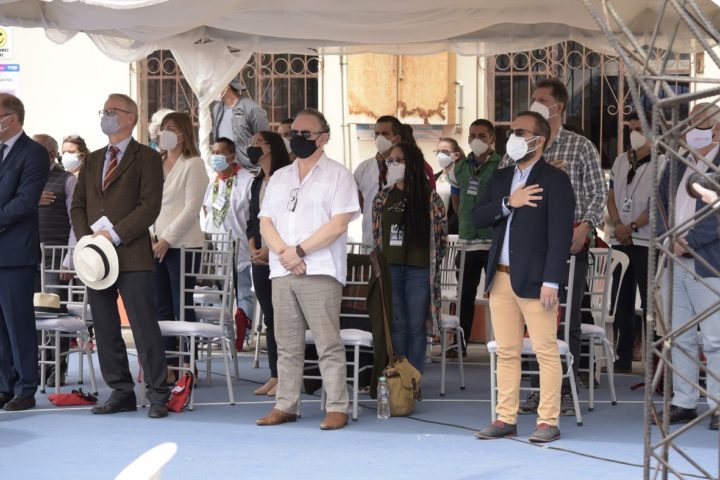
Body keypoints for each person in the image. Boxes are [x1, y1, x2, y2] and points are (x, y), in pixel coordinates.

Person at [473, 111, 575, 443]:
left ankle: (548, 421)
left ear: (539, 140)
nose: (513, 137)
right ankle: (506, 417)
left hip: (537, 280)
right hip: (501, 278)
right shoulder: (502, 177)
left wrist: (552, 280)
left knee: (545, 351)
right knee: (507, 351)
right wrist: (508, 202)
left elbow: (560, 235)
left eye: (520, 132)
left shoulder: (555, 180)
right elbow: (478, 216)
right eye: (512, 131)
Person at [507, 78, 607, 417]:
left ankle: (566, 389)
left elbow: (598, 193)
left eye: (542, 99)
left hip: (568, 244)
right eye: (532, 97)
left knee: (565, 320)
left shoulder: (580, 147)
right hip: (528, 247)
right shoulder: (520, 146)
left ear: (559, 107)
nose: (534, 102)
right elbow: (503, 184)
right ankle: (539, 388)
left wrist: (586, 226)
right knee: (531, 319)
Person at [255, 108, 360, 430]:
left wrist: (299, 251)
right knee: (286, 344)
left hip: (320, 270)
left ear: (323, 138)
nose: (298, 139)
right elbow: (266, 222)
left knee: (327, 343)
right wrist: (285, 253)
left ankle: (337, 406)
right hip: (282, 270)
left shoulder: (339, 175)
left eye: (305, 134)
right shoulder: (280, 177)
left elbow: (338, 224)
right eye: (293, 134)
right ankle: (285, 404)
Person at [71, 93, 170, 418]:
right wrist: (89, 241)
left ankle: (157, 393)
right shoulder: (93, 159)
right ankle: (120, 390)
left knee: (143, 326)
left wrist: (113, 235)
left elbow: (149, 206)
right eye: (104, 111)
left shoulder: (147, 158)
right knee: (104, 325)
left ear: (130, 117)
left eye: (112, 111)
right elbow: (78, 205)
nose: (106, 116)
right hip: (96, 259)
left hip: (131, 254)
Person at [657, 102, 720, 431]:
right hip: (674, 261)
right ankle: (684, 401)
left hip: (709, 263)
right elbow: (659, 202)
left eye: (698, 124)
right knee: (679, 336)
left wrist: (689, 242)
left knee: (714, 339)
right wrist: (667, 238)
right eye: (689, 124)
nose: (689, 130)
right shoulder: (678, 161)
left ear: (717, 128)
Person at [371, 142, 447, 373]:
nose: (392, 165)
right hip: (391, 268)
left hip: (419, 269)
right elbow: (376, 234)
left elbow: (441, 238)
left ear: (412, 164)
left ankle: (414, 378)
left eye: (398, 160)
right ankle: (399, 375)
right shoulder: (382, 197)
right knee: (397, 324)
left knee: (415, 326)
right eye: (390, 161)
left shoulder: (431, 199)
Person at [0, 93, 49, 411]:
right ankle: (4, 385)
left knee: (18, 324)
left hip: (16, 253)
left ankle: (26, 388)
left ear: (11, 118)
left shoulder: (33, 152)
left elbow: (26, 200)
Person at [152, 111, 208, 380]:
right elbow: (148, 203)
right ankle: (167, 364)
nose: (165, 132)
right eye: (163, 127)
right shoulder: (156, 163)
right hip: (155, 244)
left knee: (181, 305)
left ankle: (187, 363)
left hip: (183, 245)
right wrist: (152, 236)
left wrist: (167, 239)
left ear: (184, 133)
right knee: (161, 306)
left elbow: (191, 208)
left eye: (171, 128)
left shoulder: (193, 164)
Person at [447, 119, 502, 356]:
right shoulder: (459, 167)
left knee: (500, 297)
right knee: (464, 297)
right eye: (472, 135)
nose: (475, 140)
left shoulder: (503, 165)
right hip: (467, 241)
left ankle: (503, 346)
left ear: (492, 139)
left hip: (493, 242)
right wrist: (465, 219)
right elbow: (456, 200)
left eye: (482, 136)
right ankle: (459, 346)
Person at [606, 111, 653, 372]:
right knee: (621, 300)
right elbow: (611, 195)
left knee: (649, 303)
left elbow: (659, 203)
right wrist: (617, 224)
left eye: (640, 129)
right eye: (631, 129)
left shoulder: (662, 162)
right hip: (620, 239)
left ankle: (651, 360)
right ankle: (622, 358)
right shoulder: (620, 160)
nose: (634, 134)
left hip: (645, 240)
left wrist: (633, 226)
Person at [246, 131, 291, 396]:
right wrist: (253, 247)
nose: (253, 147)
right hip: (260, 259)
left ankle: (286, 375)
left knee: (284, 319)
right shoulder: (256, 183)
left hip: (280, 256)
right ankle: (275, 374)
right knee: (270, 319)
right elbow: (252, 220)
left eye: (258, 143)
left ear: (272, 147)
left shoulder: (285, 178)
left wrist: (269, 249)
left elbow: (285, 220)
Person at [32, 133, 78, 387]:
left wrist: (69, 259)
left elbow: (76, 223)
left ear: (51, 155)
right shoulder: (24, 178)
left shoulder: (67, 180)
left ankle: (57, 366)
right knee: (29, 314)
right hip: (27, 256)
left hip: (55, 257)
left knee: (53, 314)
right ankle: (37, 364)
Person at [202, 136, 255, 348]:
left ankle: (244, 334)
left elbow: (253, 214)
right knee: (218, 292)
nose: (215, 156)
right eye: (213, 152)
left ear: (231, 156)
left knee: (242, 291)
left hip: (238, 245)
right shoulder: (213, 179)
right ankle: (220, 332)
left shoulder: (247, 180)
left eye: (219, 153)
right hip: (215, 247)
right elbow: (207, 207)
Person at [354, 115, 403, 246]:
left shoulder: (407, 167)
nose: (379, 138)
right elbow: (361, 204)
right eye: (377, 134)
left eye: (385, 134)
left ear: (397, 138)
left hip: (398, 236)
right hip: (370, 235)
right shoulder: (363, 168)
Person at [212, 79, 270, 173]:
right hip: (226, 170)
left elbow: (266, 141)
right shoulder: (217, 109)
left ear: (226, 86)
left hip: (249, 171)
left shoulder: (252, 109)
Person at [434, 137, 463, 235]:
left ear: (456, 155)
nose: (440, 155)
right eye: (438, 152)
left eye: (445, 152)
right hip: (435, 230)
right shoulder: (434, 178)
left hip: (453, 230)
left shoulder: (461, 178)